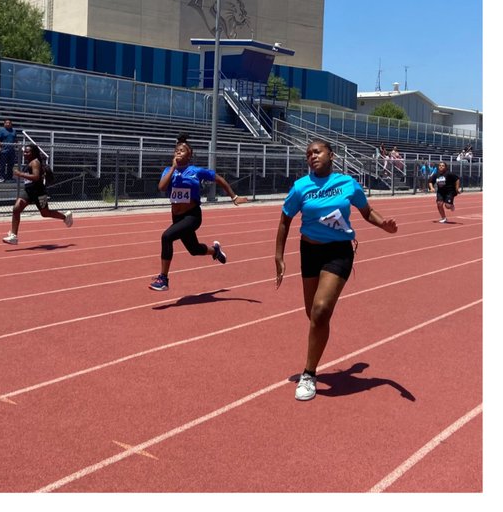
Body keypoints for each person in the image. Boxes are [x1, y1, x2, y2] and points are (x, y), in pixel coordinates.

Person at [275, 138, 398, 401]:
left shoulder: (347, 184)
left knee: (320, 310)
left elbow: (367, 212)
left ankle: (309, 374)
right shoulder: (300, 187)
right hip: (309, 252)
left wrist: (383, 224)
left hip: (339, 252)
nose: (312, 156)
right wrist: (279, 256)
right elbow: (285, 219)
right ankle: (322, 333)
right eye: (308, 154)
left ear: (331, 155)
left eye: (317, 152)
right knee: (313, 314)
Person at [149, 137, 248, 291]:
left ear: (189, 155)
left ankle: (164, 279)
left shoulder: (196, 171)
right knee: (194, 250)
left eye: (182, 151)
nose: (178, 152)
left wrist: (234, 197)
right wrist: (174, 168)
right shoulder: (169, 171)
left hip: (192, 216)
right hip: (177, 217)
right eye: (176, 150)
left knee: (166, 237)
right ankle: (214, 251)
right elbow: (162, 187)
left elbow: (219, 179)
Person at [2, 143, 73, 244]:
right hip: (28, 191)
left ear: (33, 153)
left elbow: (36, 177)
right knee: (16, 209)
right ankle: (14, 236)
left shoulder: (35, 162)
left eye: (27, 152)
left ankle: (65, 217)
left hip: (39, 193)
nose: (25, 154)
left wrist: (20, 174)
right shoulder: (30, 162)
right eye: (24, 152)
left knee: (45, 213)